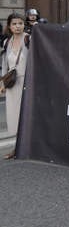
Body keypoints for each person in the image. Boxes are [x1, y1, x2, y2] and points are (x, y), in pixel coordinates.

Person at [0, 13, 30, 159]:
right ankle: (16, 147)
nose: (18, 26)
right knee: (13, 116)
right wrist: (2, 83)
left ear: (24, 24)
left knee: (27, 114)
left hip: (28, 82)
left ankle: (29, 147)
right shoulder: (7, 42)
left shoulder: (29, 39)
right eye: (14, 24)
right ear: (9, 26)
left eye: (20, 23)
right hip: (12, 84)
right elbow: (5, 63)